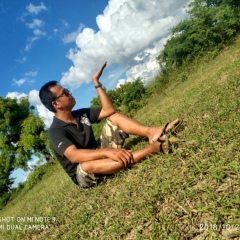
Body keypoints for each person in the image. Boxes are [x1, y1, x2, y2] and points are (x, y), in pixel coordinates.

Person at [39, 62, 182, 188]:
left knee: (114, 117)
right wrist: (107, 152)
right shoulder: (55, 131)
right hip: (83, 172)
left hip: (98, 153)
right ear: (56, 104)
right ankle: (151, 149)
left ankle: (152, 133)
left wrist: (96, 83)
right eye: (64, 92)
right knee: (86, 166)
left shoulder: (80, 114)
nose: (69, 92)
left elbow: (109, 110)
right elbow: (75, 156)